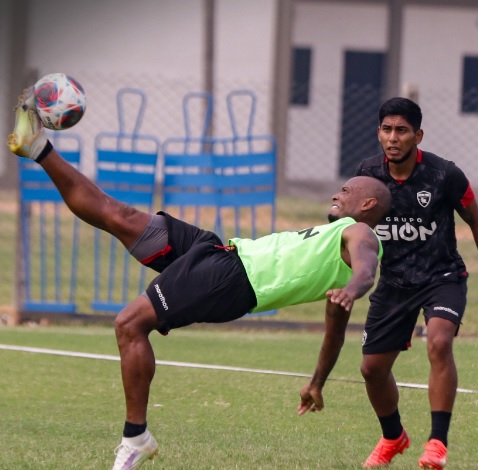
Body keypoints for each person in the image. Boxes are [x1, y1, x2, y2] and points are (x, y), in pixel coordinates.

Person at [7, 87, 391, 470]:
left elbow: (366, 270)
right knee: (117, 216)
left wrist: (354, 289)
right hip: (220, 253)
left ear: (368, 204)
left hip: (232, 281)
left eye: (348, 190)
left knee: (128, 324)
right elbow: (334, 330)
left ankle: (136, 437)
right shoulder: (332, 246)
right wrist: (317, 383)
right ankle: (37, 146)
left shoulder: (359, 234)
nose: (338, 193)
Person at [354, 97, 478, 469]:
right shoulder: (367, 174)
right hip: (394, 283)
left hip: (441, 276)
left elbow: (475, 217)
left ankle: (437, 444)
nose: (393, 138)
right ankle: (393, 437)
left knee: (439, 342)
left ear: (417, 136)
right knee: (371, 369)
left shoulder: (445, 174)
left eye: (402, 131)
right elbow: (354, 230)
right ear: (379, 133)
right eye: (387, 130)